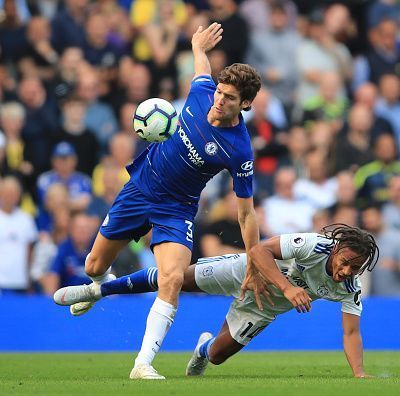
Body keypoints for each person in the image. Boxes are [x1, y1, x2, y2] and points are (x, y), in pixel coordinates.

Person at [66, 23, 264, 380]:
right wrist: (196, 44)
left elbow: (247, 214)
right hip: (140, 188)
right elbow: (201, 68)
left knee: (171, 278)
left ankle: (142, 363)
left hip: (177, 208)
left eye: (230, 98)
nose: (220, 101)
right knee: (94, 266)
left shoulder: (239, 148)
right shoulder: (203, 90)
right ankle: (99, 287)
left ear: (245, 104)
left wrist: (253, 259)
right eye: (220, 92)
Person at [53, 224, 378, 378]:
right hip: (245, 272)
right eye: (345, 261)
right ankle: (99, 290)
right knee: (176, 278)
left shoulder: (350, 287)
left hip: (263, 307)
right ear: (336, 249)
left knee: (219, 356)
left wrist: (359, 375)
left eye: (354, 267)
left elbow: (351, 333)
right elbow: (258, 249)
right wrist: (288, 288)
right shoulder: (314, 245)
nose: (346, 270)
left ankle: (202, 349)